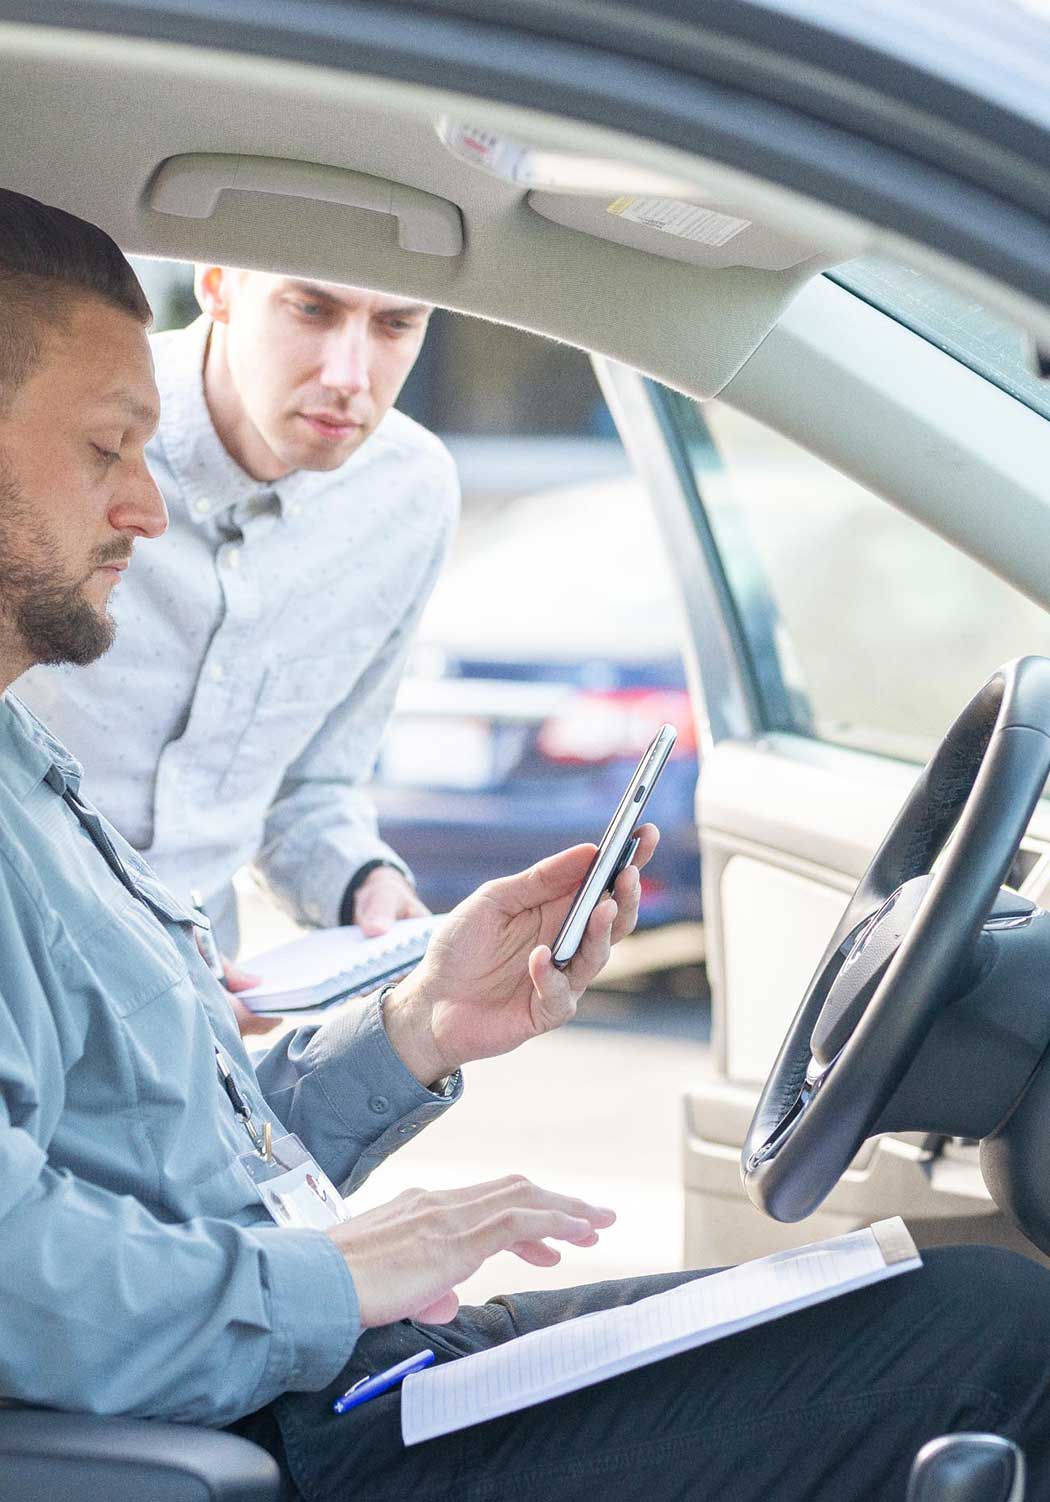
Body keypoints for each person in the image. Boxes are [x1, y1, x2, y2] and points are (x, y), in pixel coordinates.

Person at [1, 190, 1049, 1502]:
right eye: (108, 450)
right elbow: (18, 1270)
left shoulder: (30, 772)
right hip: (268, 1421)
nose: (149, 512)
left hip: (338, 1358)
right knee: (994, 1337)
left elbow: (182, 1156)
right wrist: (336, 1275)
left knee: (928, 1287)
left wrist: (421, 1021)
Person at [16, 241, 458, 1033]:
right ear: (217, 283)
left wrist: (361, 883)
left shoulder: (412, 497)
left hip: (210, 1016)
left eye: (395, 324)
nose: (349, 375)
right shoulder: (64, 421)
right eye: (312, 309)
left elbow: (312, 786)